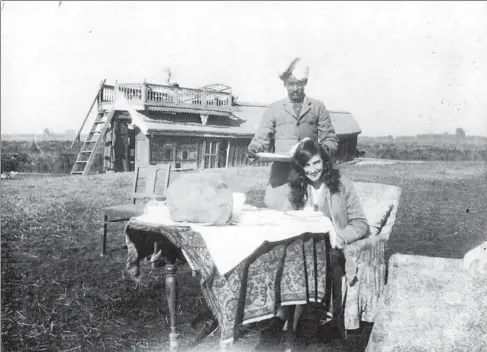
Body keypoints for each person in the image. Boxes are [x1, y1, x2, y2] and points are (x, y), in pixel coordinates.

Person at [257, 139, 369, 349]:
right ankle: (282, 317)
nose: (312, 170)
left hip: (331, 247)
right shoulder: (299, 185)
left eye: (316, 163)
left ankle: (302, 322)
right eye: (306, 165)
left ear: (325, 162)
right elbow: (286, 216)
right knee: (277, 256)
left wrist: (341, 237)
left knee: (315, 263)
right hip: (300, 247)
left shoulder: (341, 185)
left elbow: (361, 223)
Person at [247, 57, 339, 210]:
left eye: (299, 84)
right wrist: (254, 148)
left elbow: (331, 140)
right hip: (281, 178)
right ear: (285, 84)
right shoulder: (274, 109)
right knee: (276, 218)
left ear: (305, 83)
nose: (295, 88)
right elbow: (261, 138)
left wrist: (318, 153)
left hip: (310, 177)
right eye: (291, 84)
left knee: (309, 219)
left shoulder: (318, 107)